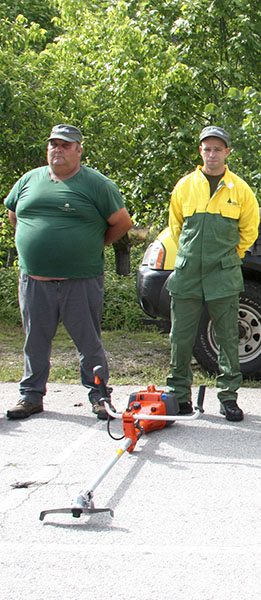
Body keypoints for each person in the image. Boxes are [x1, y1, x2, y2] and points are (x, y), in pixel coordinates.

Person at [4, 124, 132, 420]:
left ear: (79, 150)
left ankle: (99, 396)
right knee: (34, 341)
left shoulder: (96, 184)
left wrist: (89, 245)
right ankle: (31, 396)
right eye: (53, 145)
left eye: (65, 145)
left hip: (81, 280)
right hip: (35, 280)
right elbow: (15, 217)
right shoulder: (28, 180)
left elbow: (122, 222)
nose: (57, 150)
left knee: (89, 342)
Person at [166, 126, 259, 422]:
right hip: (188, 273)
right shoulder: (184, 186)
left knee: (228, 338)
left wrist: (231, 258)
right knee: (180, 337)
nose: (212, 154)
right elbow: (177, 227)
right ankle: (180, 396)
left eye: (218, 149)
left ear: (227, 152)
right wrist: (192, 256)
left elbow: (250, 231)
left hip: (223, 274)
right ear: (201, 152)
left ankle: (228, 397)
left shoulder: (240, 189)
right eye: (207, 149)